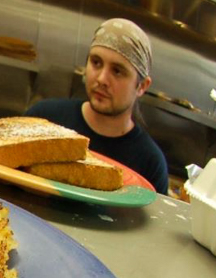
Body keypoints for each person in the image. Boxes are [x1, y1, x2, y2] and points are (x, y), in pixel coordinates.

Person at [25, 18, 169, 194]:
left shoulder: (150, 163)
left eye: (117, 71)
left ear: (142, 86)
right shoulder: (43, 118)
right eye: (96, 62)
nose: (101, 79)